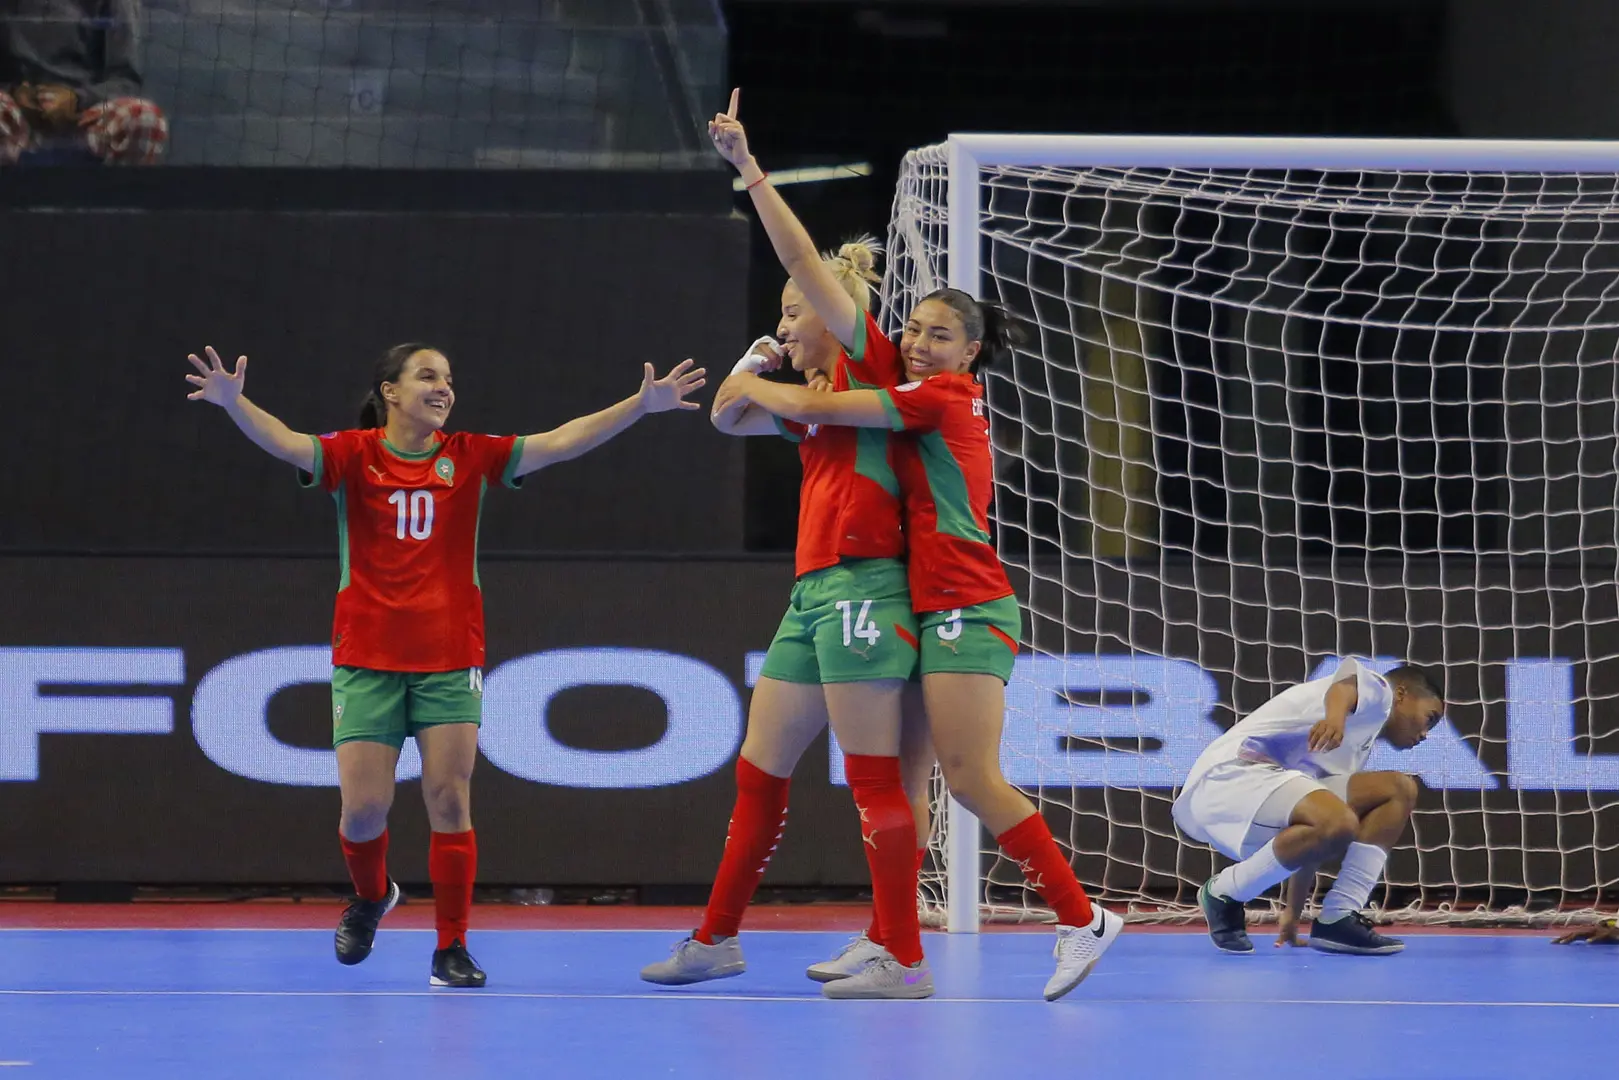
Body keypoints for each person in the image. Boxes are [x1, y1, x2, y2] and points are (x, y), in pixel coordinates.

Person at [705, 89, 1126, 1003]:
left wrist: (749, 175)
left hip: (969, 601)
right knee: (906, 783)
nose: (923, 341)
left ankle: (1079, 916)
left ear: (972, 352)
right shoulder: (903, 386)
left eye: (942, 333)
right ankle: (892, 942)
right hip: (928, 604)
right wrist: (770, 385)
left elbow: (809, 389)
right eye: (918, 329)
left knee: (972, 778)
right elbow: (775, 411)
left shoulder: (937, 396)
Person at [185, 342, 705, 987]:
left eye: (449, 379)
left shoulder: (470, 456)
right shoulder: (354, 454)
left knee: (448, 798)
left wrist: (641, 405)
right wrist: (235, 404)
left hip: (451, 655)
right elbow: (288, 443)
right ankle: (373, 896)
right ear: (390, 392)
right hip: (367, 657)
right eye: (427, 377)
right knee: (363, 812)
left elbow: (563, 441)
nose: (443, 388)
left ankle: (451, 948)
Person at [641, 234, 938, 1000]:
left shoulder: (867, 368)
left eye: (792, 310)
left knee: (875, 783)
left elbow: (807, 264)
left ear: (832, 318)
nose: (784, 321)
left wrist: (750, 173)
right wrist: (751, 367)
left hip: (867, 587)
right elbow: (724, 419)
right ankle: (716, 937)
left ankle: (901, 958)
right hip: (810, 594)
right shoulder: (810, 407)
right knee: (757, 770)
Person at [1171, 659, 1443, 956]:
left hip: (1263, 799)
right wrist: (1335, 719)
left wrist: (1292, 913)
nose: (1426, 733)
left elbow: (1317, 840)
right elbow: (1345, 685)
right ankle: (1226, 892)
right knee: (1338, 819)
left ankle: (1338, 916)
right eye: (1429, 718)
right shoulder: (1381, 694)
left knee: (1397, 789)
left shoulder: (1351, 750)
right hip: (1231, 778)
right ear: (1402, 694)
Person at [1, 2, 167, 165]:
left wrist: (78, 99)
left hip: (84, 115)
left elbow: (125, 79)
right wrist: (14, 92)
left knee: (144, 119)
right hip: (17, 112)